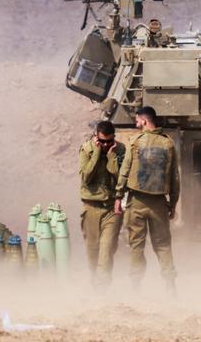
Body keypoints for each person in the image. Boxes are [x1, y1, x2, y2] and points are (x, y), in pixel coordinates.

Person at [115, 106, 180, 292]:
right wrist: (173, 204)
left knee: (136, 245)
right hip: (159, 202)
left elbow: (125, 171)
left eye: (137, 121)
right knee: (163, 245)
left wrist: (118, 196)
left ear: (144, 121)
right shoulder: (168, 144)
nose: (136, 124)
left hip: (136, 202)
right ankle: (170, 285)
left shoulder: (135, 142)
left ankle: (136, 286)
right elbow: (175, 178)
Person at [78, 120, 126, 286]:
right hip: (91, 207)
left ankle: (102, 289)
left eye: (109, 141)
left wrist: (112, 157)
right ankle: (94, 282)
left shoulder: (120, 150)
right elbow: (86, 176)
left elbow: (121, 178)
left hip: (111, 209)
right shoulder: (86, 150)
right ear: (96, 138)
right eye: (102, 141)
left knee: (106, 251)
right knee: (93, 251)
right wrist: (97, 153)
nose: (106, 145)